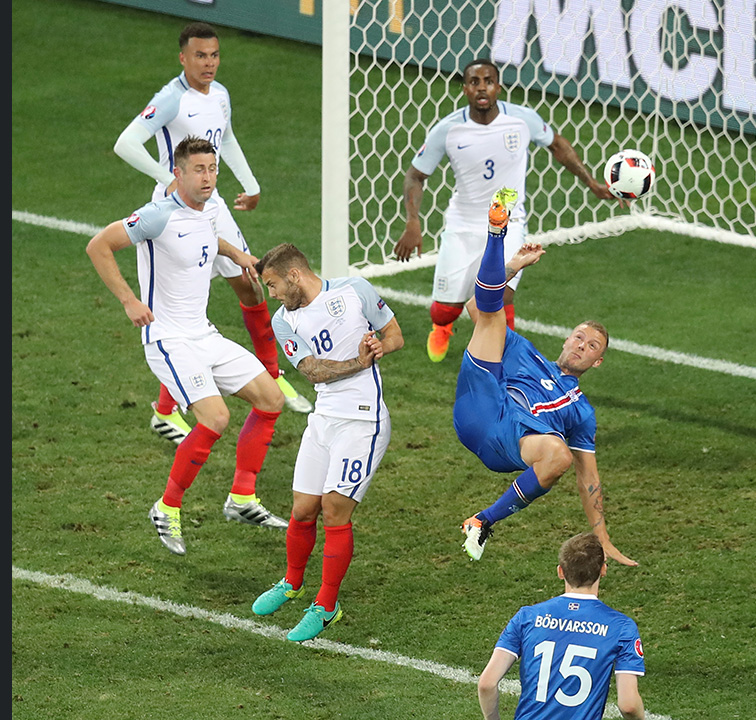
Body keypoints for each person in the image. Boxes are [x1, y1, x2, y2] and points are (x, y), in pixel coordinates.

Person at [86, 136, 291, 556]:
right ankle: (166, 507)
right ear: (177, 173)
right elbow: (99, 246)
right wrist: (129, 301)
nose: (208, 177)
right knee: (215, 418)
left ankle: (242, 498)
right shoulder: (157, 215)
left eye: (212, 169)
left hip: (204, 334)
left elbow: (208, 237)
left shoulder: (209, 208)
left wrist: (240, 256)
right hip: (168, 339)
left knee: (271, 398)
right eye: (199, 170)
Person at [114, 21, 312, 446]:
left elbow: (227, 139)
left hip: (213, 204)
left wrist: (251, 182)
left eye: (215, 55)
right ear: (183, 57)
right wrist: (165, 177)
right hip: (177, 211)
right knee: (184, 311)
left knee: (252, 287)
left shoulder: (219, 95)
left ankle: (270, 377)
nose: (209, 63)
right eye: (200, 56)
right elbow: (126, 143)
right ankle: (167, 409)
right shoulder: (170, 99)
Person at [392, 57, 621, 364]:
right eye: (475, 82)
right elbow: (415, 175)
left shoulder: (522, 120)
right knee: (445, 307)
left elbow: (557, 145)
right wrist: (412, 222)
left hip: (508, 223)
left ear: (498, 87)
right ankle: (443, 326)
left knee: (500, 296)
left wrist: (591, 182)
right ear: (465, 90)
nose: (482, 88)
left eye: (488, 81)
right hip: (463, 224)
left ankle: (503, 357)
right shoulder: (449, 130)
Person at [453, 190, 636, 566]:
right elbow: (476, 307)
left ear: (597, 362)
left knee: (559, 455)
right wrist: (512, 269)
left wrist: (602, 538)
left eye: (593, 346)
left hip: (508, 444)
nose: (583, 345)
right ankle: (496, 233)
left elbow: (589, 477)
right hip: (483, 405)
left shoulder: (581, 411)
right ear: (567, 338)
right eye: (580, 337)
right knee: (493, 316)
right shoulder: (523, 350)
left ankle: (483, 521)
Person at [247, 242, 403, 642]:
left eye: (274, 284)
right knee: (302, 509)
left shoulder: (355, 291)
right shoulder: (284, 321)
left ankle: (326, 605)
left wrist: (380, 346)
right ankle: (291, 583)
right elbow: (312, 371)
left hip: (363, 420)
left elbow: (394, 333)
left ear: (294, 275)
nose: (273, 294)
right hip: (323, 420)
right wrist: (358, 361)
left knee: (334, 510)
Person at [477, 532, 645, 720]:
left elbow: (487, 684)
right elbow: (628, 705)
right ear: (603, 570)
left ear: (560, 571)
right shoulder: (622, 627)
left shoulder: (527, 617)